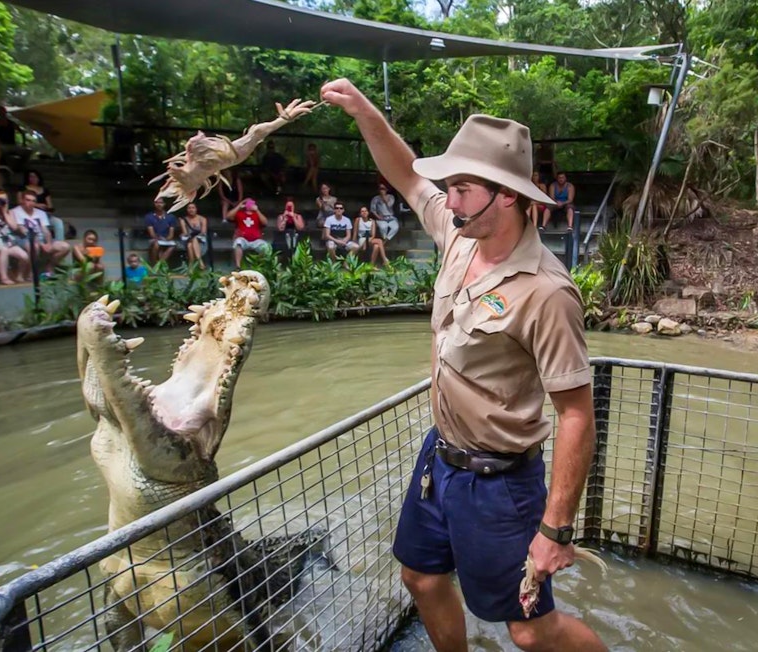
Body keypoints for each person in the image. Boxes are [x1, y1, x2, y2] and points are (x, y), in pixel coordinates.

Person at [321, 79, 606, 652]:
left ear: (506, 194)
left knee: (529, 631)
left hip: (500, 483)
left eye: (461, 187)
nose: (446, 200)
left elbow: (576, 414)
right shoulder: (461, 236)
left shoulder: (546, 292)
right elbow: (405, 172)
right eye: (449, 187)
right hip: (439, 460)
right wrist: (363, 110)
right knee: (420, 577)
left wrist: (555, 531)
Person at [9, 190, 71, 278]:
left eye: (33, 201)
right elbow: (23, 231)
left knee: (65, 247)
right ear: (22, 200)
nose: (31, 203)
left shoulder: (40, 213)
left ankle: (50, 266)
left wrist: (48, 243)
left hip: (41, 240)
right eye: (28, 200)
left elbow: (45, 230)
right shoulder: (15, 212)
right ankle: (31, 272)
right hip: (23, 239)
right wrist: (41, 244)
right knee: (35, 246)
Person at [0, 190, 30, 284]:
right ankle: (4, 278)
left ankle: (19, 276)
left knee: (24, 256)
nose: (3, 201)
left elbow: (14, 227)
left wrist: (5, 212)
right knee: (4, 250)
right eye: (1, 199)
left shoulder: (10, 212)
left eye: (5, 199)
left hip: (8, 241)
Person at [226, 197, 271, 268]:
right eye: (248, 203)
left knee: (265, 246)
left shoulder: (257, 214)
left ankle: (262, 266)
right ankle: (238, 266)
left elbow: (265, 222)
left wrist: (257, 210)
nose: (250, 205)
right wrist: (239, 206)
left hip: (256, 240)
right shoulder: (239, 213)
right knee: (238, 243)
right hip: (243, 239)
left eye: (251, 203)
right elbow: (228, 217)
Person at [144, 198, 179, 265]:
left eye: (161, 203)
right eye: (157, 202)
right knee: (157, 244)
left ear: (164, 204)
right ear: (154, 204)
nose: (159, 204)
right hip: (154, 239)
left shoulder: (171, 217)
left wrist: (166, 239)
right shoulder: (149, 217)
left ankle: (159, 264)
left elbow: (171, 234)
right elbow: (152, 233)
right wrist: (158, 238)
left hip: (166, 239)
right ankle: (154, 263)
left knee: (173, 246)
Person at [179, 202, 208, 269]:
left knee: (191, 243)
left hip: (200, 240)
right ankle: (200, 262)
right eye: (189, 208)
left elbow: (203, 232)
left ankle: (191, 265)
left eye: (193, 208)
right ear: (186, 210)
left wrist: (196, 236)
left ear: (196, 209)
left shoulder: (203, 219)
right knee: (190, 243)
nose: (191, 210)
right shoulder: (183, 220)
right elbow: (185, 233)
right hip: (188, 239)